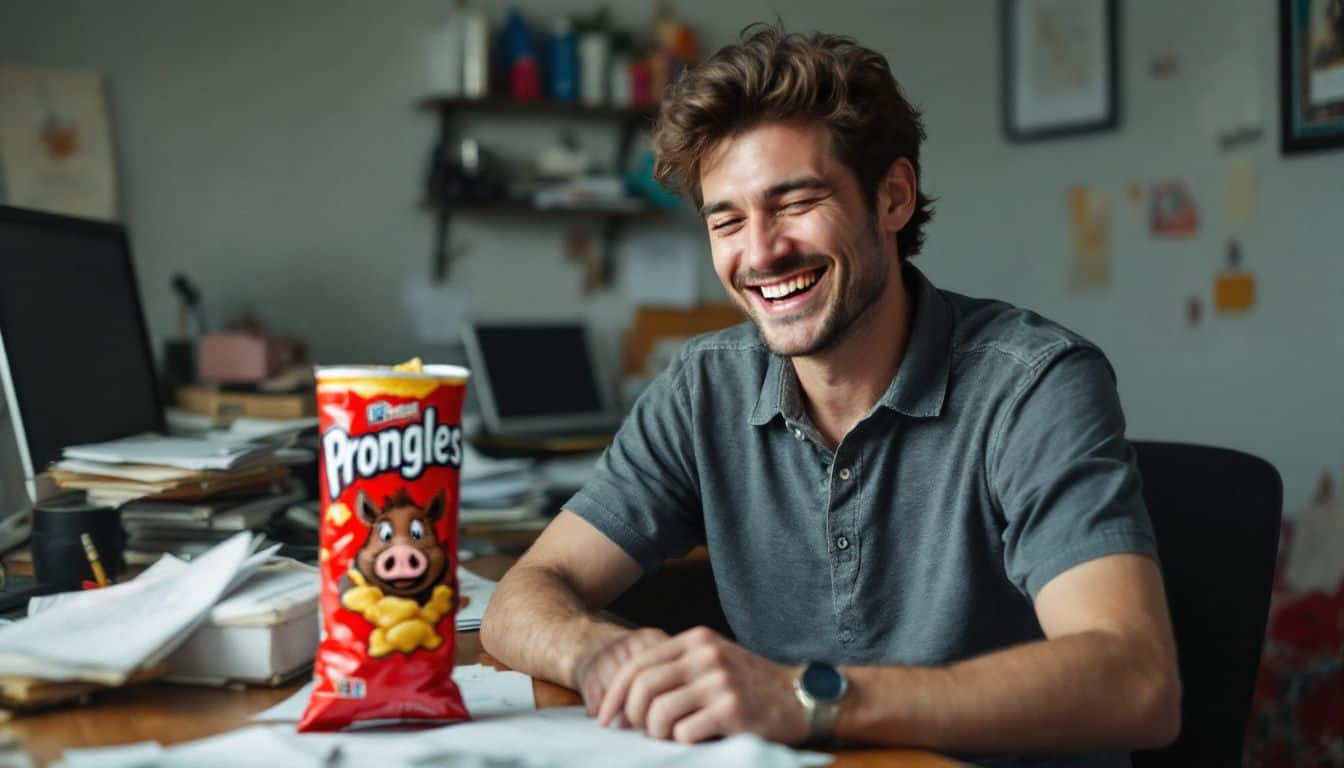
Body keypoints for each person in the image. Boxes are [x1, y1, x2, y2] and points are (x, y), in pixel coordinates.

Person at [481, 25, 1180, 766]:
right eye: (727, 220)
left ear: (894, 197)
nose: (760, 252)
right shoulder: (704, 387)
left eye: (795, 202)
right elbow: (524, 594)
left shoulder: (1034, 384)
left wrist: (803, 697)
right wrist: (608, 658)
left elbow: (1137, 682)